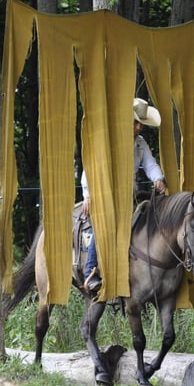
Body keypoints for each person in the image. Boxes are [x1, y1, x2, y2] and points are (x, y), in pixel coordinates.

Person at [80, 97, 167, 292]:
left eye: (141, 124)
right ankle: (90, 272)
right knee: (103, 223)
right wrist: (88, 194)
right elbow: (91, 165)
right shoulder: (108, 140)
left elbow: (150, 163)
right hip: (104, 192)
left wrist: (158, 178)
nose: (139, 128)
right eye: (136, 123)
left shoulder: (140, 144)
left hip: (129, 194)